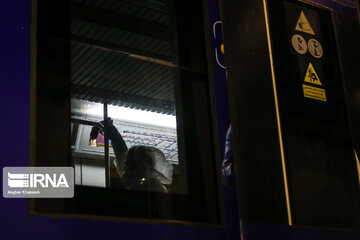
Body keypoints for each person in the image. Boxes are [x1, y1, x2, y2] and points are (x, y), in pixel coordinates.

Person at [92, 117, 173, 193]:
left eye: (127, 162)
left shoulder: (132, 182)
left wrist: (112, 131)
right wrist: (111, 130)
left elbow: (121, 153)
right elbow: (121, 152)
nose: (125, 163)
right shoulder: (156, 185)